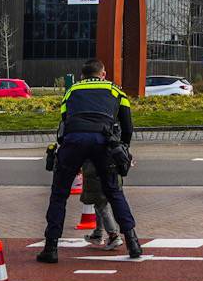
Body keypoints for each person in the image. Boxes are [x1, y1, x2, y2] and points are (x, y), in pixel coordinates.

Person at [39, 59, 140, 263]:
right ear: (103, 74)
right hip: (103, 142)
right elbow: (128, 126)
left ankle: (50, 248)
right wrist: (123, 149)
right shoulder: (115, 90)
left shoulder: (72, 91)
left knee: (59, 194)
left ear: (82, 75)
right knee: (114, 192)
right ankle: (133, 243)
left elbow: (64, 120)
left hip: (73, 140)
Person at [79, 157, 124, 249]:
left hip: (97, 176)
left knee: (102, 206)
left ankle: (113, 235)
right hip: (110, 175)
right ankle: (98, 233)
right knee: (99, 204)